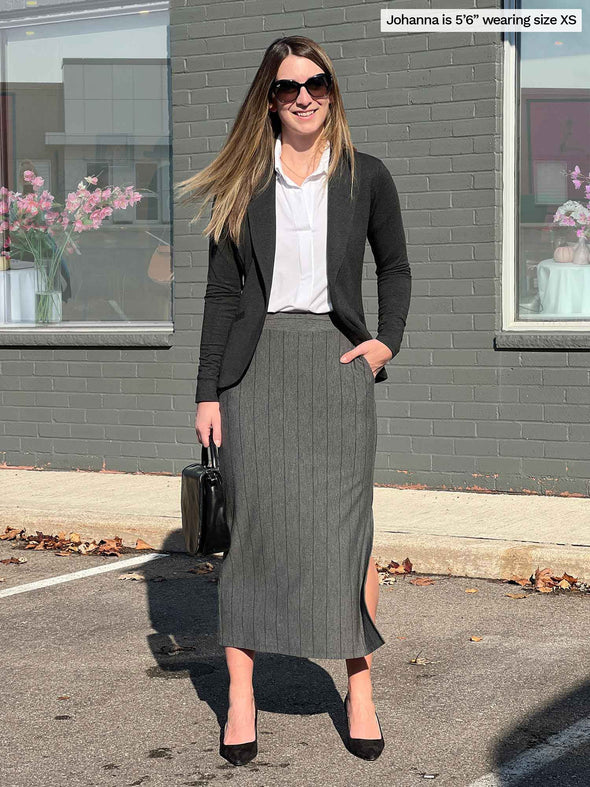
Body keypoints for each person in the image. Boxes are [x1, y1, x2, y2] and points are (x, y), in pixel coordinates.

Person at [175, 35, 411, 766]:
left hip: (336, 367)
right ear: (269, 100)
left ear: (332, 92)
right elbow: (221, 294)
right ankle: (241, 698)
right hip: (256, 371)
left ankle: (361, 689)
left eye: (316, 83)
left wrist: (384, 343)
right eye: (287, 87)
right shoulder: (244, 182)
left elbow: (395, 265)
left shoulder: (365, 176)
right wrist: (208, 388)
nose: (303, 96)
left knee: (349, 533)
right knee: (254, 536)